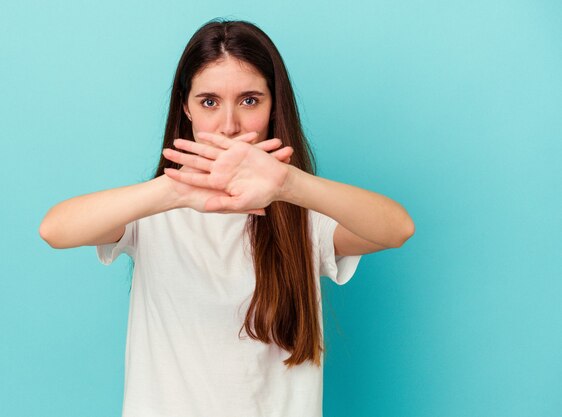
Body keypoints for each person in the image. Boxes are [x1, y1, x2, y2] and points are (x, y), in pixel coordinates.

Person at [39, 18, 414, 417]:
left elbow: (397, 228)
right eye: (209, 102)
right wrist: (175, 190)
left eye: (250, 101)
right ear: (186, 106)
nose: (230, 125)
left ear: (274, 106)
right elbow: (55, 229)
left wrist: (289, 185)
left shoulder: (303, 219)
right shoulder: (152, 212)